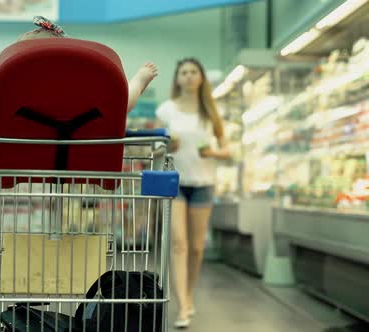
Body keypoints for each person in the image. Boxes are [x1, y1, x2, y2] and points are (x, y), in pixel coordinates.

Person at [156, 58, 231, 328]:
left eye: (193, 72)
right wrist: (166, 147)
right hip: (174, 182)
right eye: (183, 72)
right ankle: (183, 305)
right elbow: (155, 147)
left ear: (201, 77)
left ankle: (188, 295)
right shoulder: (166, 110)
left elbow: (228, 150)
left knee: (197, 248)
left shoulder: (210, 113)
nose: (188, 76)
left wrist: (211, 152)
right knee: (179, 244)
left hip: (203, 183)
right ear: (177, 79)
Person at [18, 16, 158, 113]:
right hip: (80, 151)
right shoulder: (78, 92)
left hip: (24, 150)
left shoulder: (14, 90)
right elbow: (121, 106)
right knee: (119, 103)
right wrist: (139, 81)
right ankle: (138, 81)